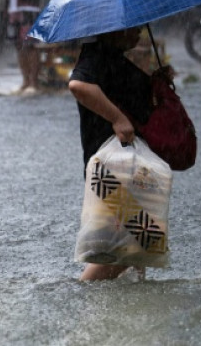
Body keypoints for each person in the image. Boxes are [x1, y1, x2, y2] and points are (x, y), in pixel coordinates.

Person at [68, 26, 159, 281]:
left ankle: (132, 304)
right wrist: (117, 118)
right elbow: (78, 85)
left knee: (131, 243)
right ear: (113, 30)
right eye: (133, 29)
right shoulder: (96, 55)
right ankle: (81, 293)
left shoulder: (114, 56)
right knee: (137, 242)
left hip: (128, 163)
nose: (139, 35)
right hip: (112, 167)